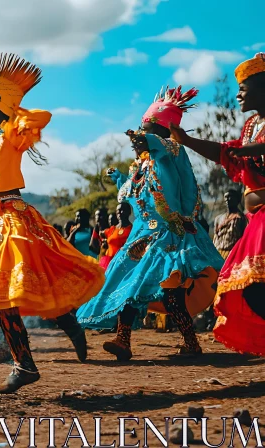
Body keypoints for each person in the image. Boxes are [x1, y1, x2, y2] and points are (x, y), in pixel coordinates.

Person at [0, 53, 105, 393]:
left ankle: (27, 360)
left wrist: (17, 115)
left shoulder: (11, 134)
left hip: (9, 216)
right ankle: (55, 331)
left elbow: (40, 119)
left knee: (4, 287)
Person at [78, 85, 224, 360]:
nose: (142, 135)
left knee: (170, 295)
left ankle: (190, 343)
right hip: (143, 235)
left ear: (165, 134)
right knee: (132, 284)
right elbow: (137, 195)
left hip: (170, 235)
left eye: (149, 130)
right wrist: (120, 178)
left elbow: (162, 149)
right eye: (141, 128)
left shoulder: (174, 153)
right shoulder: (142, 165)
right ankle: (124, 340)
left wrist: (150, 141)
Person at [170, 54, 265, 355]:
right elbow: (227, 153)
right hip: (256, 221)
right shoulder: (251, 125)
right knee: (246, 289)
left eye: (244, 88)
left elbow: (244, 150)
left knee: (251, 287)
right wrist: (185, 140)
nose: (238, 94)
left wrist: (238, 150)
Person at [212, 189, 247, 259]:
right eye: (225, 197)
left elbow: (244, 239)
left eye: (230, 197)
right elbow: (215, 238)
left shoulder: (241, 218)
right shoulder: (218, 218)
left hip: (232, 255)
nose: (227, 199)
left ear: (237, 200)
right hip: (217, 254)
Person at [97, 202, 133, 270]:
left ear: (128, 212)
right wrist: (105, 241)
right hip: (108, 263)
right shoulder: (112, 229)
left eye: (121, 210)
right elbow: (100, 234)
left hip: (123, 264)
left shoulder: (132, 230)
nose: (119, 213)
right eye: (117, 211)